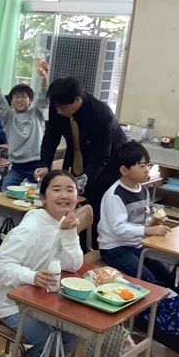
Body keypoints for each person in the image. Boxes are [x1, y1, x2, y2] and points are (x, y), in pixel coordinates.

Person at [0, 169, 82, 357]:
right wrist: (32, 276)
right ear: (43, 197)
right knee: (49, 341)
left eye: (70, 190)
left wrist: (69, 234)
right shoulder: (30, 228)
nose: (64, 195)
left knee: (73, 335)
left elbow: (72, 265)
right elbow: (1, 266)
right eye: (56, 189)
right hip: (11, 303)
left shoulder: (64, 223)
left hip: (41, 300)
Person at [34, 76, 126, 247]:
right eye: (56, 107)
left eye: (62, 107)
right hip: (76, 157)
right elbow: (51, 137)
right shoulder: (58, 105)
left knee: (94, 206)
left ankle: (90, 249)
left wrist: (84, 180)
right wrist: (45, 164)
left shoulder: (101, 114)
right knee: (68, 203)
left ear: (77, 100)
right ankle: (64, 244)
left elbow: (101, 155)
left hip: (107, 165)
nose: (58, 111)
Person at [98, 142, 172, 284]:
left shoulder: (143, 190)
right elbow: (118, 228)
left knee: (167, 276)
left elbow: (142, 219)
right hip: (115, 248)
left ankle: (176, 297)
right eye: (142, 166)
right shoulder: (115, 195)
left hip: (137, 245)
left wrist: (151, 223)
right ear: (124, 170)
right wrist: (148, 230)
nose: (147, 170)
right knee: (148, 280)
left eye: (148, 165)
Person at [0, 60, 48, 190]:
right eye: (16, 97)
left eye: (23, 97)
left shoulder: (36, 113)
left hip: (37, 165)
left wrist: (44, 77)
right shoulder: (9, 116)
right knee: (5, 191)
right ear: (12, 101)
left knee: (39, 194)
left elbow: (43, 97)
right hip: (17, 167)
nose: (19, 100)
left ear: (30, 100)